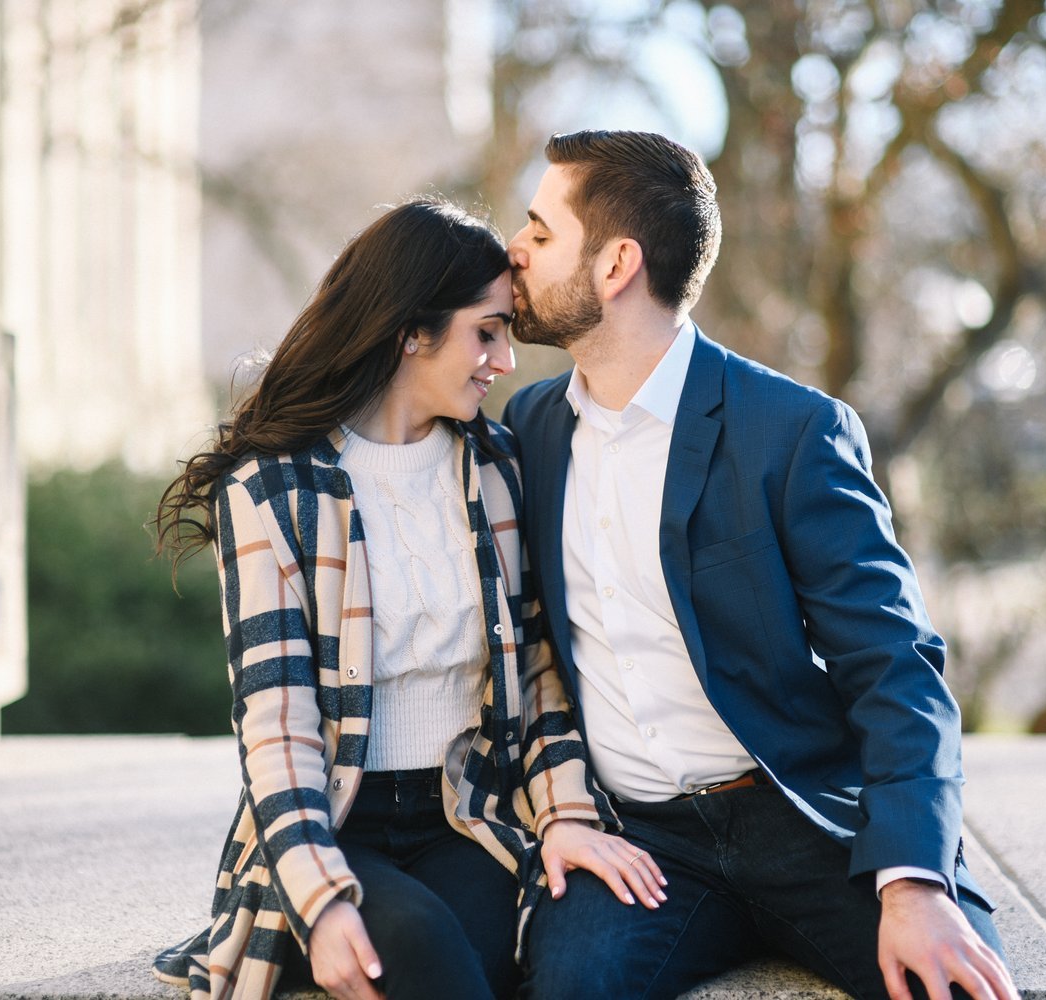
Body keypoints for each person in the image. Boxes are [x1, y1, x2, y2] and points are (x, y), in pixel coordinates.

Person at [499, 130, 1020, 1000]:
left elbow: (893, 666)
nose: (513, 249)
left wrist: (916, 881)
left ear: (617, 263)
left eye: (540, 231)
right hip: (641, 842)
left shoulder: (792, 431)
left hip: (804, 819)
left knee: (955, 989)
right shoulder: (530, 430)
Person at [149, 198, 663, 1000]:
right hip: (335, 820)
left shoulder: (495, 467)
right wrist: (320, 906)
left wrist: (565, 815)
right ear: (410, 331)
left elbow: (534, 672)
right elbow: (276, 724)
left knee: (512, 953)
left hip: (468, 813)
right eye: (485, 332)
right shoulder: (274, 490)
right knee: (418, 951)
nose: (503, 359)